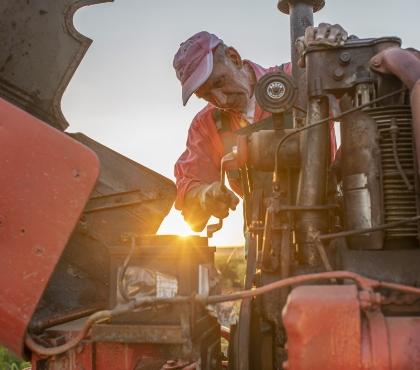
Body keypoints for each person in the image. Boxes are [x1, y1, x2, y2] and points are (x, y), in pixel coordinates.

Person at [173, 26, 347, 232]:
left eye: (220, 81)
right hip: (261, 234)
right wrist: (204, 195)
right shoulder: (206, 124)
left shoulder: (300, 78)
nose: (220, 99)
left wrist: (336, 57)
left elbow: (363, 107)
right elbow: (189, 186)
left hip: (328, 221)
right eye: (207, 95)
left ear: (234, 57)